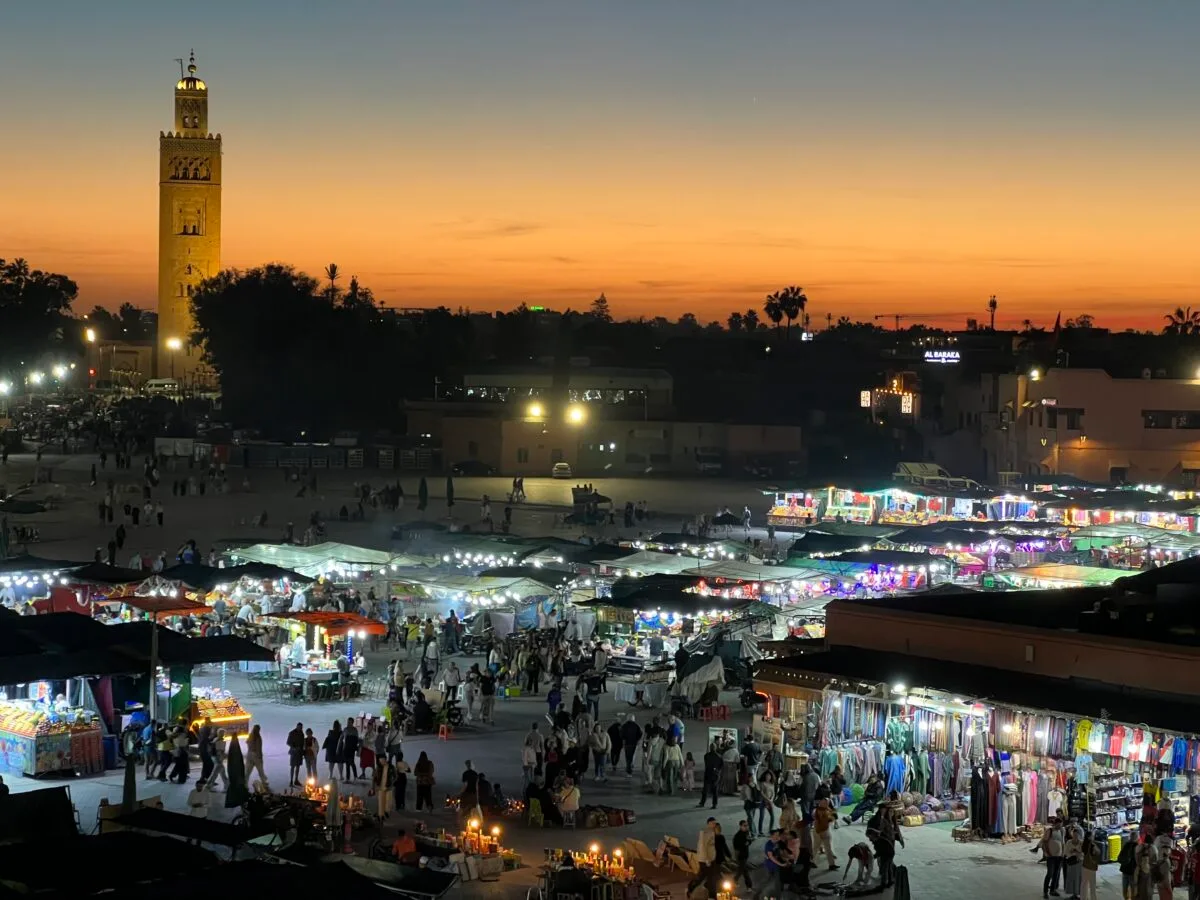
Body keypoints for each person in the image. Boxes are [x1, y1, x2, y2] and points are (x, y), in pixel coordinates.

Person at [1041, 818, 1065, 899]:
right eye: (1059, 824)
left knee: (1056, 874)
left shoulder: (1061, 831)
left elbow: (1062, 843)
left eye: (1061, 824)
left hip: (1059, 856)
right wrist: (1047, 853)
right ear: (1056, 823)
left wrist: (1063, 854)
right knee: (1050, 874)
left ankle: (1052, 890)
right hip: (1051, 857)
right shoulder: (1050, 831)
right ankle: (1045, 892)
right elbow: (1044, 842)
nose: (1060, 826)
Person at [814, 798, 839, 870]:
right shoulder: (819, 811)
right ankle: (811, 861)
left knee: (828, 848)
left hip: (825, 830)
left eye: (826, 802)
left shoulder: (827, 809)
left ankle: (831, 864)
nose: (825, 804)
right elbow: (821, 821)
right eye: (823, 802)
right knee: (816, 847)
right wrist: (832, 817)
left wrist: (832, 817)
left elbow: (831, 817)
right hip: (819, 831)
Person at [733, 819, 754, 890]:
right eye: (745, 826)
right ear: (741, 826)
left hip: (745, 854)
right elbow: (736, 847)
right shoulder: (737, 836)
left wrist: (749, 842)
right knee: (744, 871)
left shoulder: (747, 833)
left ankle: (737, 880)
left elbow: (749, 840)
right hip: (741, 856)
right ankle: (749, 886)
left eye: (747, 825)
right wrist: (745, 844)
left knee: (743, 870)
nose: (746, 827)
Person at [699, 743, 722, 809]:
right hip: (714, 774)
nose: (712, 748)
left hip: (709, 773)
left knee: (707, 789)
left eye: (712, 747)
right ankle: (713, 804)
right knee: (713, 790)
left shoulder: (707, 756)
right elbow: (721, 765)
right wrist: (717, 770)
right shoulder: (719, 756)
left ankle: (703, 803)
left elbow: (707, 764)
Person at [1063, 826, 1083, 900]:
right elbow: (1066, 852)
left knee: (1078, 878)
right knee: (1071, 878)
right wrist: (1072, 853)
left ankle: (1079, 894)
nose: (1075, 836)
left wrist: (1077, 852)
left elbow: (1083, 853)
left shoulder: (1081, 843)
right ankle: (1073, 894)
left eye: (1076, 835)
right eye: (1074, 835)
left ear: (1079, 835)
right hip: (1071, 862)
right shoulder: (1069, 842)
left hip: (1079, 863)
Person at [246, 723, 268, 788]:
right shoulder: (258, 737)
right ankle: (264, 781)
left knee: (248, 771)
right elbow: (259, 748)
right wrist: (260, 757)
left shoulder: (250, 735)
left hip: (249, 755)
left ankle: (245, 783)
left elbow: (247, 742)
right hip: (256, 756)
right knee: (260, 770)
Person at [1080, 833, 1100, 900]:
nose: (1093, 837)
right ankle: (1093, 898)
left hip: (1084, 866)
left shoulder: (1084, 844)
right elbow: (1097, 853)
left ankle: (1083, 898)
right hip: (1091, 868)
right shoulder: (1092, 845)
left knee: (1084, 884)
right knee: (1092, 885)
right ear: (1089, 837)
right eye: (1092, 836)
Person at [286, 722, 305, 787]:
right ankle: (291, 781)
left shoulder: (302, 733)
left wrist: (303, 753)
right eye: (299, 727)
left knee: (298, 766)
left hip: (299, 752)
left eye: (301, 727)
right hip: (293, 752)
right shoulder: (292, 733)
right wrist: (294, 747)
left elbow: (302, 744)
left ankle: (296, 780)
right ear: (296, 726)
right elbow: (288, 742)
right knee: (292, 766)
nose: (300, 728)